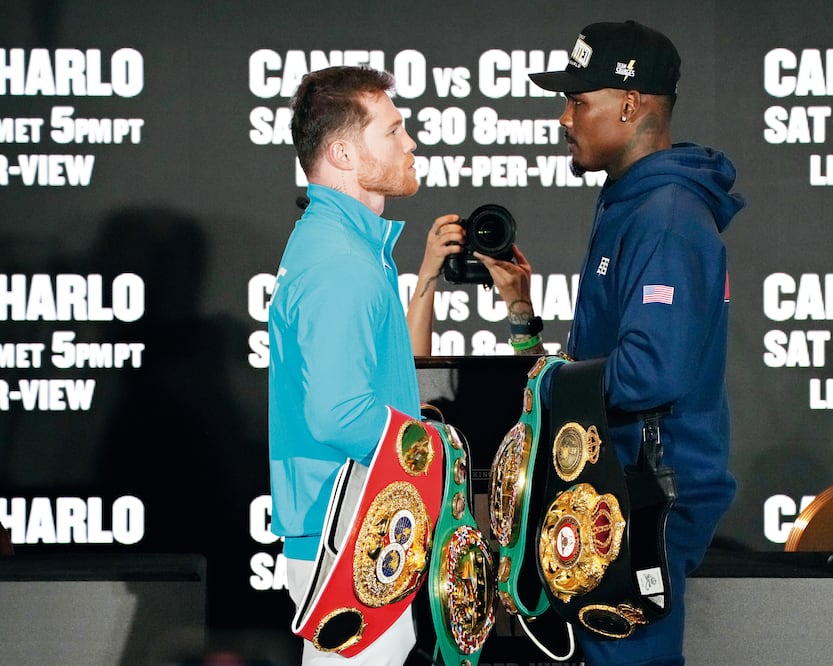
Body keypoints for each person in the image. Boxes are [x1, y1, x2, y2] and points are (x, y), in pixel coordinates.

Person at [480, 19, 744, 666]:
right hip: (611, 482)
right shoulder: (632, 201)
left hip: (641, 491)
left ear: (629, 105)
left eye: (577, 101)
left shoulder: (668, 216)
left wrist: (547, 383)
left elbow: (649, 372)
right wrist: (523, 320)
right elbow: (599, 369)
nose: (564, 118)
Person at [268, 65, 463, 665]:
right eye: (394, 131)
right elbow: (336, 413)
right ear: (345, 152)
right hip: (350, 535)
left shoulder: (346, 248)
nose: (411, 144)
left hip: (357, 524)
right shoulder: (339, 262)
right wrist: (436, 451)